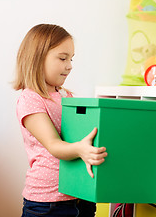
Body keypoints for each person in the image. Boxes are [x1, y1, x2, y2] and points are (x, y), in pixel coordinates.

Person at [13, 23, 108, 217]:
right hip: (48, 201)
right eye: (63, 58)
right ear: (37, 58)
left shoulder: (66, 96)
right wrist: (81, 149)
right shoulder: (31, 99)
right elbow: (54, 144)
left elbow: (80, 135)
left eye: (71, 59)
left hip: (80, 194)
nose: (70, 65)